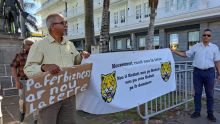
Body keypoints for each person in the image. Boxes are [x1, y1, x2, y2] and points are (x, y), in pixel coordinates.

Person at [24, 13, 90, 124]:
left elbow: (75, 62)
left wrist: (81, 56)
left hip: (69, 93)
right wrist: (44, 67)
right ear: (52, 26)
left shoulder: (70, 44)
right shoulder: (39, 45)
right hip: (49, 95)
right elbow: (28, 69)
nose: (66, 25)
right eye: (63, 23)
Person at [172, 29, 220, 122]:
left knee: (210, 94)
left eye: (208, 35)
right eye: (204, 35)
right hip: (197, 73)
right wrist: (174, 51)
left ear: (210, 37)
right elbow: (185, 54)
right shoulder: (196, 46)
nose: (206, 36)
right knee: (197, 93)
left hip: (210, 72)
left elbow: (217, 61)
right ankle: (197, 111)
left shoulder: (214, 48)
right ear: (202, 36)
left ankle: (210, 113)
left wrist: (219, 73)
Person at [11, 38, 38, 124]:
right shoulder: (19, 55)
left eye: (32, 44)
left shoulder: (38, 55)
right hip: (23, 81)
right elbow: (13, 67)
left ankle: (36, 119)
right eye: (29, 44)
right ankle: (22, 112)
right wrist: (16, 81)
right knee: (22, 99)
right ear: (24, 45)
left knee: (35, 100)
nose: (30, 46)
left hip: (35, 81)